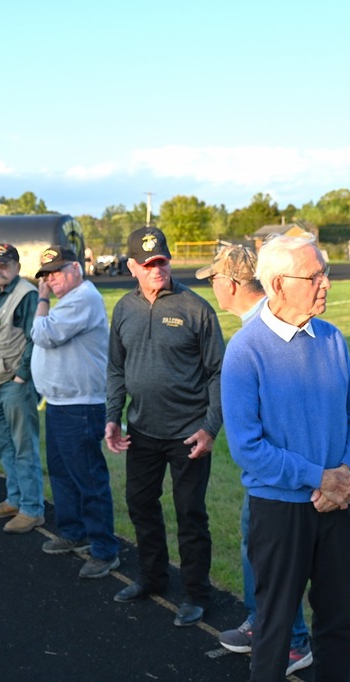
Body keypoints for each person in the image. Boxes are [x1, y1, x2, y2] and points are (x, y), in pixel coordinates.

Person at [221, 236, 350, 681]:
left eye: (326, 273)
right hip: (281, 512)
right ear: (278, 284)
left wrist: (345, 471)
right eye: (315, 276)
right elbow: (247, 447)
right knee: (274, 627)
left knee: (336, 622)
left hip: (339, 505)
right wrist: (319, 478)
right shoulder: (245, 350)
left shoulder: (332, 338)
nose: (326, 284)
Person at [195, 244, 312, 673]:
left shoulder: (266, 327)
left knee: (272, 556)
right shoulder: (261, 322)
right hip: (276, 468)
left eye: (213, 279)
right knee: (258, 549)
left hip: (278, 472)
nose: (211, 286)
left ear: (229, 283)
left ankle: (291, 640)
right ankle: (262, 622)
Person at [105, 226, 224, 628]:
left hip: (188, 433)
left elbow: (219, 372)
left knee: (190, 514)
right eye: (148, 264)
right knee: (140, 505)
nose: (157, 269)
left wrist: (210, 427)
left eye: (162, 261)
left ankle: (196, 594)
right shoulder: (124, 309)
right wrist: (112, 416)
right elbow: (116, 368)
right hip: (141, 431)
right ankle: (152, 577)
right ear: (132, 267)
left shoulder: (196, 309)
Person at [32, 245, 121, 579]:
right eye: (45, 275)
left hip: (80, 406)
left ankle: (104, 550)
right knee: (62, 473)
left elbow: (43, 334)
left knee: (88, 479)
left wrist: (42, 300)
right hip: (61, 403)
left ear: (76, 269)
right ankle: (73, 532)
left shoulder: (82, 297)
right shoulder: (71, 300)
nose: (50, 280)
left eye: (56, 272)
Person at [0, 243, 45, 533]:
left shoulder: (26, 295)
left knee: (24, 446)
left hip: (15, 385)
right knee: (3, 445)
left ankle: (32, 509)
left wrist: (22, 375)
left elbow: (35, 338)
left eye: (3, 264)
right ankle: (15, 498)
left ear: (17, 266)